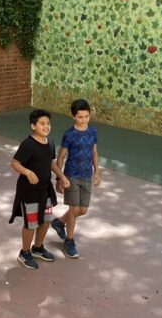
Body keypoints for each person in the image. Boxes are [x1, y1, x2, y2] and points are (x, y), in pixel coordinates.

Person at [9, 108, 70, 270]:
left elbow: (51, 162)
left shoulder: (50, 143)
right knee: (31, 223)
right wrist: (28, 172)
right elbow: (15, 163)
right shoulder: (28, 144)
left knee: (46, 220)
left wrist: (61, 176)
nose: (46, 126)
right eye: (42, 123)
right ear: (33, 126)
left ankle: (37, 248)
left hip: (45, 190)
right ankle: (24, 252)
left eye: (48, 123)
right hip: (29, 192)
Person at [52, 98, 101, 259]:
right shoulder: (69, 134)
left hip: (87, 175)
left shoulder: (92, 132)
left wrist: (97, 172)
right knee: (74, 209)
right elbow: (60, 157)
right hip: (71, 175)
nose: (84, 120)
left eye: (86, 116)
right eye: (80, 117)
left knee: (83, 210)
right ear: (74, 116)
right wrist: (59, 178)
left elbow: (94, 152)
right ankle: (69, 240)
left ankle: (60, 222)